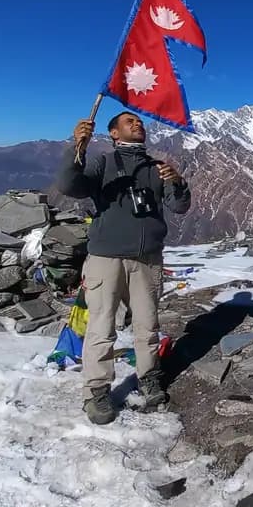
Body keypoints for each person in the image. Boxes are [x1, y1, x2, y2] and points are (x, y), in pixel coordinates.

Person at [55, 111, 191, 424]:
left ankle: (149, 377)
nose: (137, 124)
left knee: (147, 324)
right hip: (106, 259)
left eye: (139, 122)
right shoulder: (102, 163)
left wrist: (179, 182)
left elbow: (179, 206)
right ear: (114, 134)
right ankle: (97, 392)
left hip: (147, 259)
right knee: (102, 326)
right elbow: (68, 184)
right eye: (129, 122)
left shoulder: (157, 168)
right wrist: (76, 148)